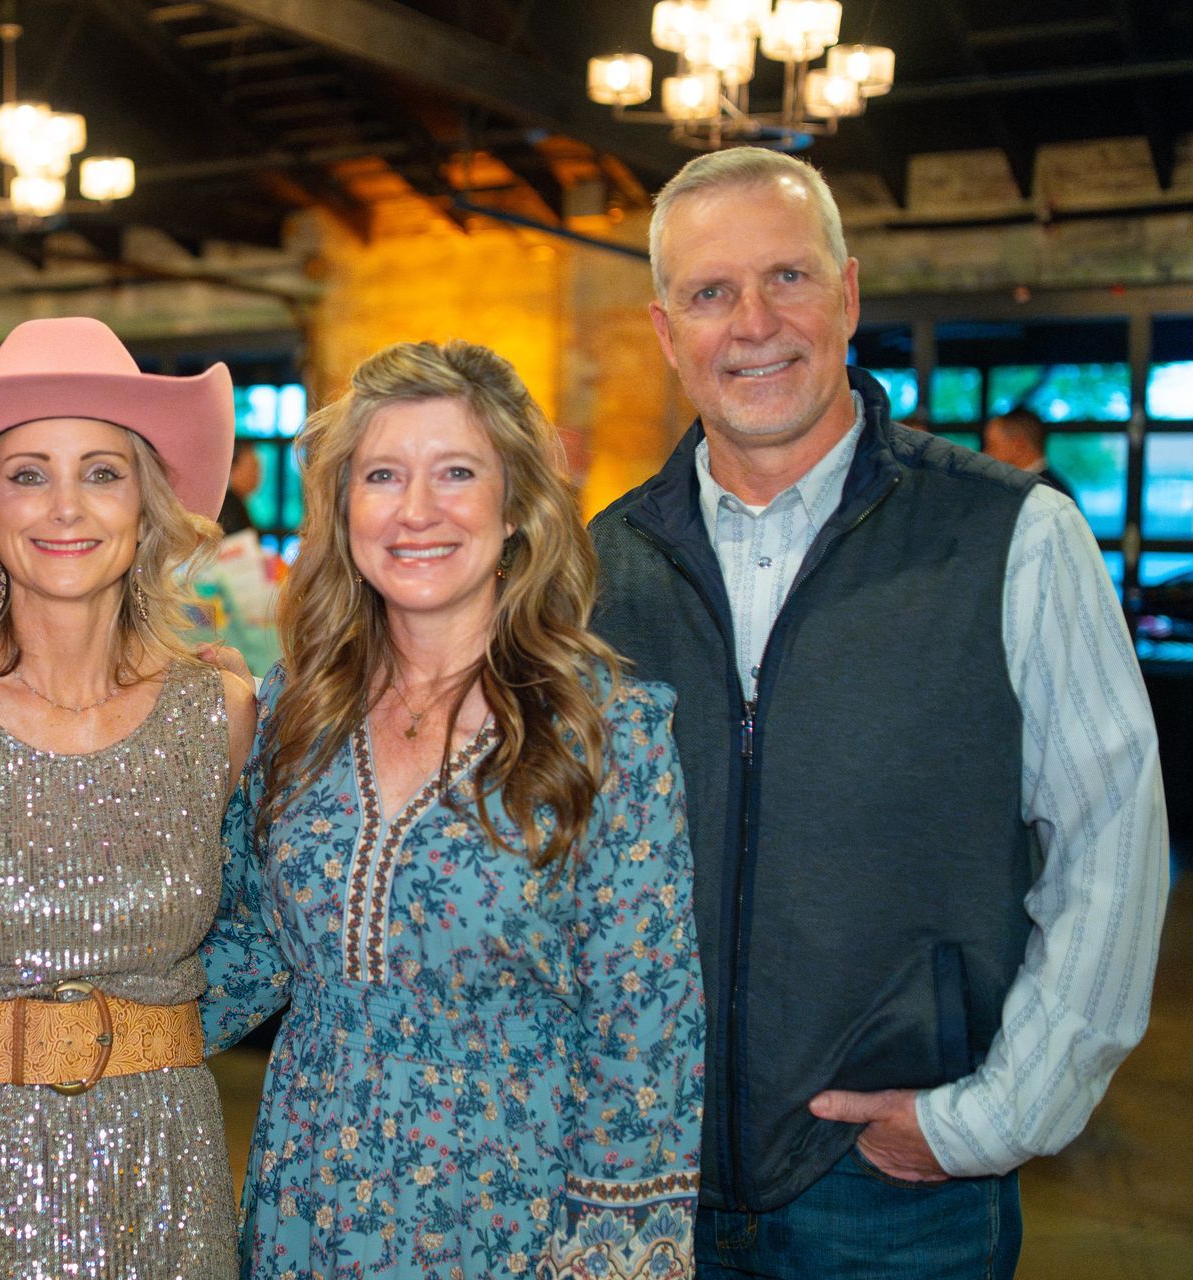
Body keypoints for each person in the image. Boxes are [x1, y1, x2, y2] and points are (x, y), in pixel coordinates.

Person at [591, 146, 1168, 1278]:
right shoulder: (599, 566)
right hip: (643, 1183)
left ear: (848, 296)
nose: (754, 322)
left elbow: (1113, 844)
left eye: (788, 278)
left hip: (892, 1191)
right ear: (669, 333)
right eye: (712, 293)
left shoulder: (1011, 537)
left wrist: (996, 1117)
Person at [203, 340, 704, 1279]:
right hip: (304, 1208)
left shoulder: (606, 732)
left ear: (514, 506)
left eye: (457, 472)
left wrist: (615, 1249)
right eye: (382, 474)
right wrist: (73, 1017)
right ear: (343, 508)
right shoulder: (291, 713)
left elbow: (645, 1033)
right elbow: (255, 948)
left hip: (510, 1224)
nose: (416, 510)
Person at [0, 315, 257, 1278]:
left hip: (164, 1171)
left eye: (102, 471)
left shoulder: (223, 714)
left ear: (148, 506)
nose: (65, 508)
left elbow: (284, 938)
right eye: (29, 473)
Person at [983, 406, 1077, 502]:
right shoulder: (1051, 488)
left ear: (1018, 446)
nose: (985, 454)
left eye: (991, 446)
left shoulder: (1044, 494)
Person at [217, 440, 261, 535]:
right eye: (252, 469)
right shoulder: (228, 505)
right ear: (233, 469)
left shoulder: (238, 502)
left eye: (258, 469)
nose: (257, 475)